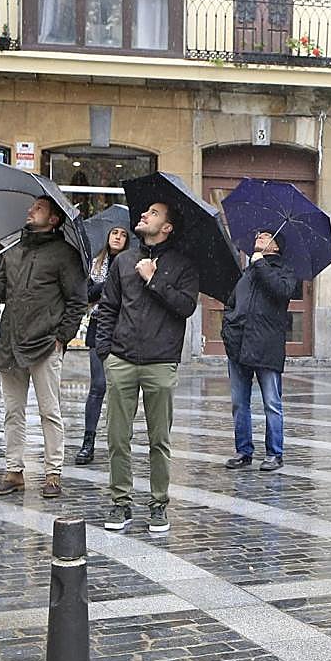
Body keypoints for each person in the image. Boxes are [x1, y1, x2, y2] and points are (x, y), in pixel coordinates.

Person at [0, 196, 86, 499]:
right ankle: (14, 471)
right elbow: (4, 291)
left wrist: (62, 338)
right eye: (32, 207)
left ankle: (53, 474)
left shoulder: (64, 254)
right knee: (12, 411)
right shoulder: (14, 249)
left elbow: (77, 301)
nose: (30, 211)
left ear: (53, 219)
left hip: (45, 343)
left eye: (39, 208)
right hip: (12, 341)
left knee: (49, 411)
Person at [97, 202, 199, 534]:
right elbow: (108, 307)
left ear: (167, 227)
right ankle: (120, 502)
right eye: (146, 211)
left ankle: (158, 504)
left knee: (159, 440)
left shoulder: (184, 265)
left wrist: (154, 279)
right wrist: (106, 353)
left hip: (161, 361)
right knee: (117, 437)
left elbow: (185, 307)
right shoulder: (124, 260)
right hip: (122, 360)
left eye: (153, 213)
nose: (144, 215)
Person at [222, 230, 302, 472]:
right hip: (238, 345)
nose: (259, 237)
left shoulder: (285, 270)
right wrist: (228, 328)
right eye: (258, 234)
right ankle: (243, 451)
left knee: (272, 403)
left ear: (276, 246)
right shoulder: (247, 272)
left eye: (266, 235)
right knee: (239, 403)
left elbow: (282, 291)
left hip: (267, 346)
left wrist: (260, 264)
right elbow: (232, 302)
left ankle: (274, 454)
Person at [75, 225, 130, 465]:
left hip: (124, 328)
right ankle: (88, 442)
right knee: (98, 386)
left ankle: (120, 441)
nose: (118, 237)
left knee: (121, 388)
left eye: (123, 234)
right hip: (98, 327)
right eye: (114, 233)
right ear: (107, 236)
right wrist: (107, 283)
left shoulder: (131, 263)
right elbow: (86, 295)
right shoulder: (96, 264)